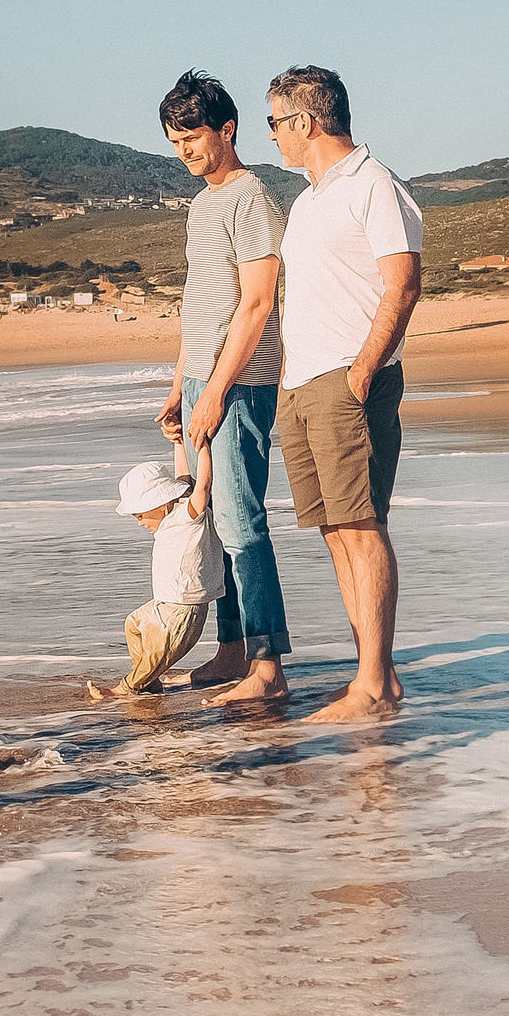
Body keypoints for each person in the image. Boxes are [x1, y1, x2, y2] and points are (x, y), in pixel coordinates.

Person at [263, 66, 424, 723]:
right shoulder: (308, 200)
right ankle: (373, 675)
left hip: (348, 380)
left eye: (275, 121)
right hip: (302, 385)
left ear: (306, 122)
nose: (270, 134)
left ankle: (375, 686)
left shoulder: (374, 185)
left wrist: (361, 372)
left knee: (364, 527)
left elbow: (404, 285)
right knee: (336, 532)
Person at [153, 69, 293, 708]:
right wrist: (182, 383)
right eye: (174, 139)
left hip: (242, 382)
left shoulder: (250, 197)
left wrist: (216, 391)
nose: (183, 149)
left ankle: (267, 664)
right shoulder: (202, 204)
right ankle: (234, 651)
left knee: (241, 523)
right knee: (220, 518)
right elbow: (199, 304)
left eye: (192, 136)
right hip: (207, 378)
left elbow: (259, 301)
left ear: (226, 129)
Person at [86, 458, 223, 701]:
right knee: (133, 624)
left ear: (160, 503)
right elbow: (183, 476)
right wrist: (179, 441)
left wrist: (203, 447)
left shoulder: (187, 516)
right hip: (163, 605)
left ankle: (127, 687)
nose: (139, 522)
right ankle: (149, 684)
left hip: (184, 609)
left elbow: (202, 486)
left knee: (156, 655)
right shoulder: (168, 518)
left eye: (140, 515)